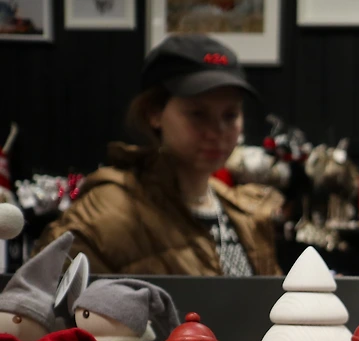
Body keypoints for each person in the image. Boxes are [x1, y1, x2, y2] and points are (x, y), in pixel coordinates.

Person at [39, 35, 281, 276]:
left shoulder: (241, 211)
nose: (218, 131)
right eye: (198, 114)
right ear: (154, 113)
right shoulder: (107, 212)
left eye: (230, 115)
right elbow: (44, 289)